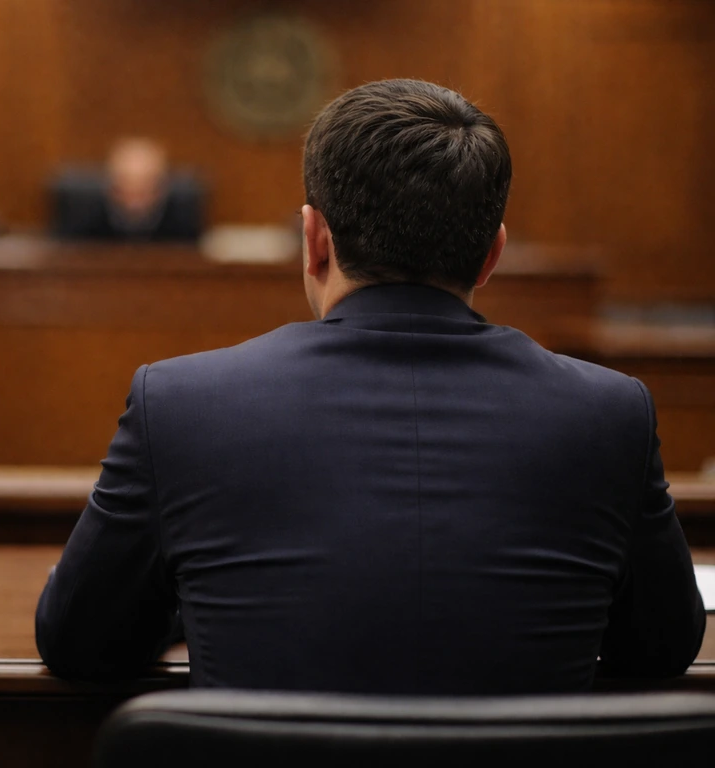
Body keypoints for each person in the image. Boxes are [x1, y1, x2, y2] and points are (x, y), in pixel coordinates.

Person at [36, 79, 706, 694]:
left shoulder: (180, 403)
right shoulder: (610, 412)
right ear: (492, 253)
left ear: (314, 240)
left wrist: (193, 596)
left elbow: (78, 643)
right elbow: (663, 647)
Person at [49, 138, 204, 241]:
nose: (134, 201)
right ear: (111, 187)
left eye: (144, 189)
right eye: (126, 187)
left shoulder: (181, 222)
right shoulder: (82, 219)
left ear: (161, 189)